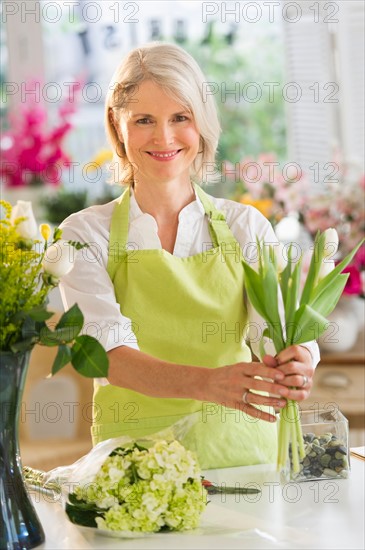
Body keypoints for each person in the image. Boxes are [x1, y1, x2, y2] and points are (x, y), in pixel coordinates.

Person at [59, 42, 319, 469]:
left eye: (180, 117)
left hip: (242, 458)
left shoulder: (245, 226)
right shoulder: (86, 234)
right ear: (117, 126)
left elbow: (278, 332)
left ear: (202, 124)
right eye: (144, 120)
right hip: (135, 466)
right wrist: (209, 384)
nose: (164, 137)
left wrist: (298, 360)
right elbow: (105, 355)